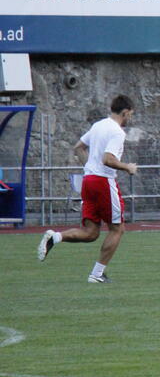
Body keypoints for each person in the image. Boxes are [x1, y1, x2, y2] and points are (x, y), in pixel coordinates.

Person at [37, 95, 138, 283]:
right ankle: (97, 274)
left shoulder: (99, 125)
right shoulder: (117, 132)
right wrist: (127, 167)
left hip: (88, 180)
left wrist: (88, 168)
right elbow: (108, 159)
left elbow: (78, 147)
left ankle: (56, 237)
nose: (129, 119)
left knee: (91, 232)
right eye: (130, 115)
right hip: (103, 182)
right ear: (125, 112)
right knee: (117, 229)